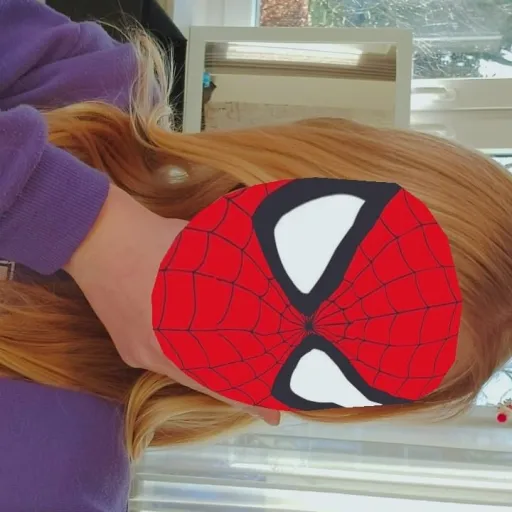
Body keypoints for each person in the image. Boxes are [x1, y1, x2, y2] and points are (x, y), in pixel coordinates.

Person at [1, 1, 512, 510]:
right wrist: (89, 228)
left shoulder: (58, 485)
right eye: (320, 263)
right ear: (318, 174)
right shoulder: (89, 80)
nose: (290, 323)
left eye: (341, 365)